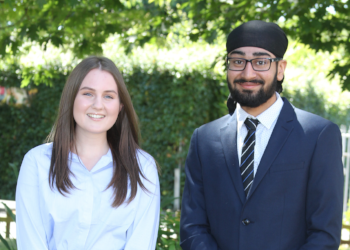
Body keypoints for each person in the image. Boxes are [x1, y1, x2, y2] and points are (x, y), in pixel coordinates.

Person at [180, 20, 343, 250]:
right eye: (237, 61)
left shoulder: (317, 135)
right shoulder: (204, 139)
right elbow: (192, 227)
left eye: (261, 62)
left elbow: (324, 234)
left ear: (280, 69)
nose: (248, 73)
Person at [16, 56, 160, 250]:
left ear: (120, 106)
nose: (98, 105)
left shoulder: (143, 168)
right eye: (88, 94)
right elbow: (31, 242)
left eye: (108, 96)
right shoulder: (37, 163)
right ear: (71, 98)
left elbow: (141, 244)